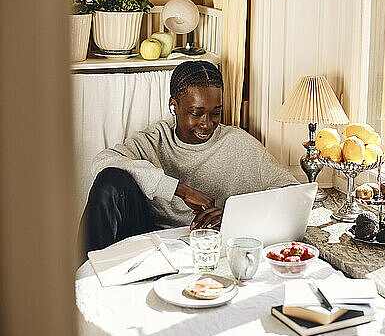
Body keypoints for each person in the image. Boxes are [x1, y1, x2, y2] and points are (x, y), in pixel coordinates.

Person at [79, 60, 298, 256]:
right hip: (151, 242)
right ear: (173, 106)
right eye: (196, 113)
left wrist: (233, 215)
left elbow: (292, 192)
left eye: (216, 112)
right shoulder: (155, 140)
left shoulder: (240, 142)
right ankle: (84, 277)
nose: (207, 123)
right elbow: (102, 161)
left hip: (211, 246)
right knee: (111, 180)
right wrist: (179, 190)